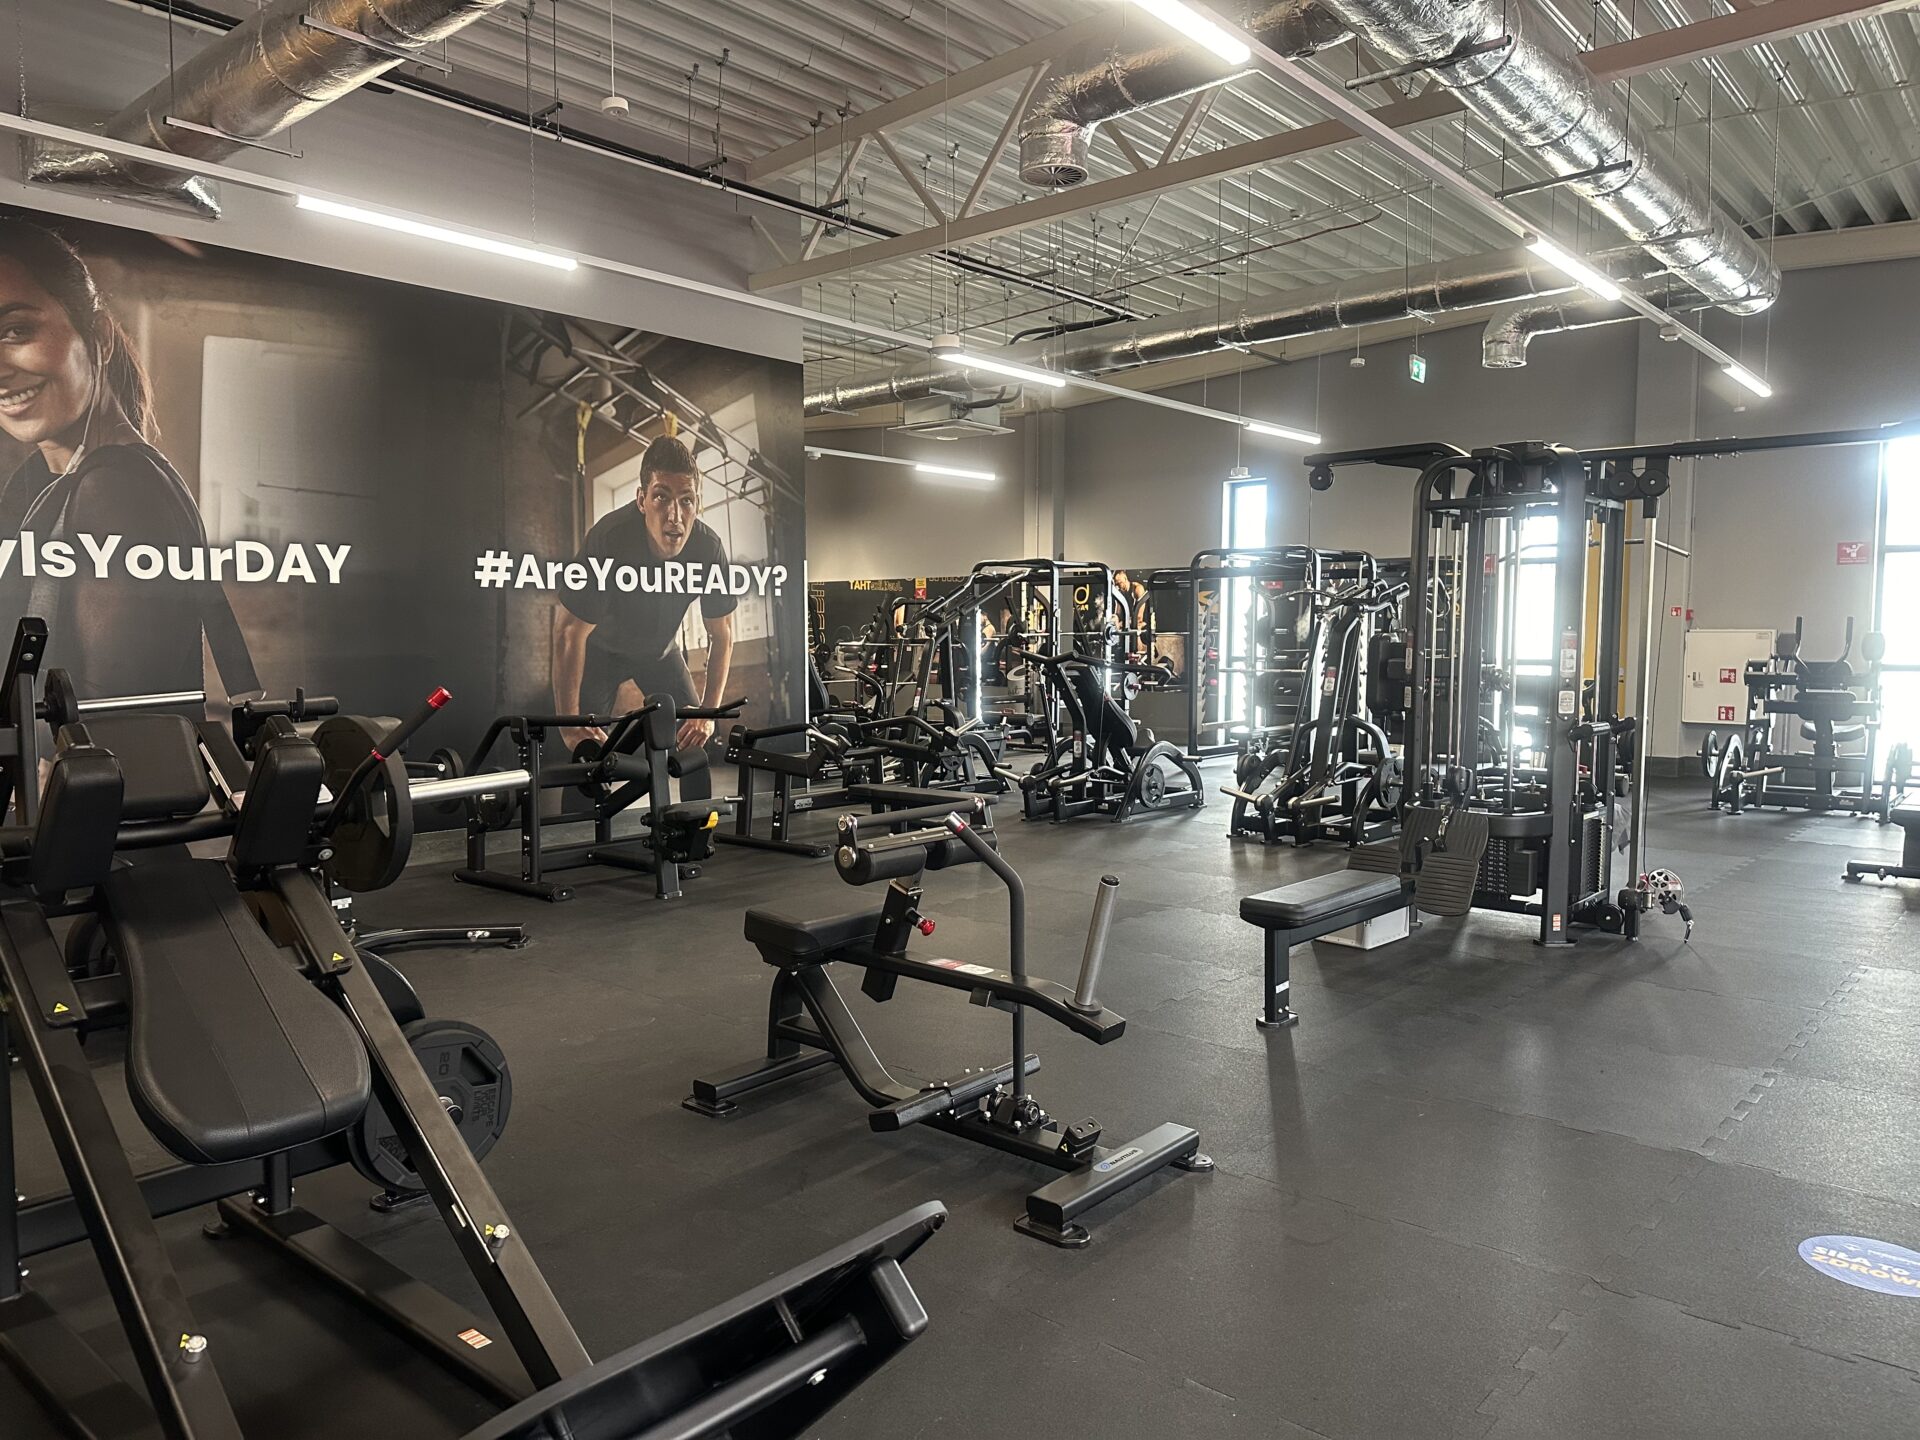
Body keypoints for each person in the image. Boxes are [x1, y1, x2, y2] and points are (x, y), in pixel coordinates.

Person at [0, 214, 253, 701]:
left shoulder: (113, 489)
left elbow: (108, 714)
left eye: (16, 330)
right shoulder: (61, 479)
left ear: (99, 336)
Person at [553, 434, 735, 753]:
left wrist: (708, 714)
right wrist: (569, 725)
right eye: (662, 497)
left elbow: (723, 635)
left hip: (660, 654)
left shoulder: (709, 548)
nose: (675, 516)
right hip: (602, 654)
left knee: (695, 743)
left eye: (686, 500)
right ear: (642, 500)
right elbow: (569, 632)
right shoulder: (610, 537)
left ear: (698, 503)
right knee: (585, 751)